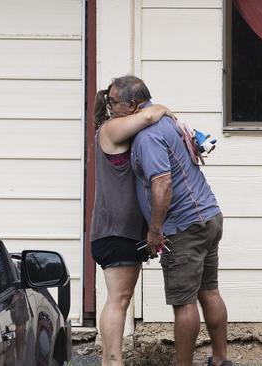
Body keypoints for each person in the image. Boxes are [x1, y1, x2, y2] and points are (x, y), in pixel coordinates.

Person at [107, 75, 231, 366]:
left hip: (184, 227)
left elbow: (162, 184)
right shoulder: (164, 121)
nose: (110, 107)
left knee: (184, 303)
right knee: (209, 291)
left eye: (114, 102)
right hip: (209, 216)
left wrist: (154, 231)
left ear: (133, 105)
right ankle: (220, 359)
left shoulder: (147, 137)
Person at [90, 80, 174, 366]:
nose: (113, 108)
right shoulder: (110, 128)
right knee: (119, 297)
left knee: (120, 297)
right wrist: (162, 108)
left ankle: (110, 360)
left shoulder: (122, 127)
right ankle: (112, 361)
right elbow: (149, 115)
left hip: (122, 230)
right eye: (112, 103)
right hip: (115, 230)